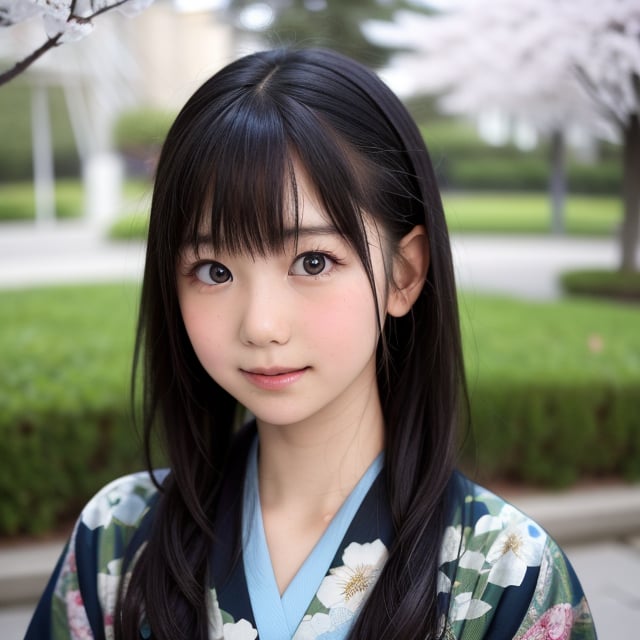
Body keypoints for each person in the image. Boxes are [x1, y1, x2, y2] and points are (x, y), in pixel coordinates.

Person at [26, 47, 596, 640]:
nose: (261, 325)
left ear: (404, 273)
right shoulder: (118, 537)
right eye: (214, 271)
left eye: (313, 260)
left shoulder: (504, 573)